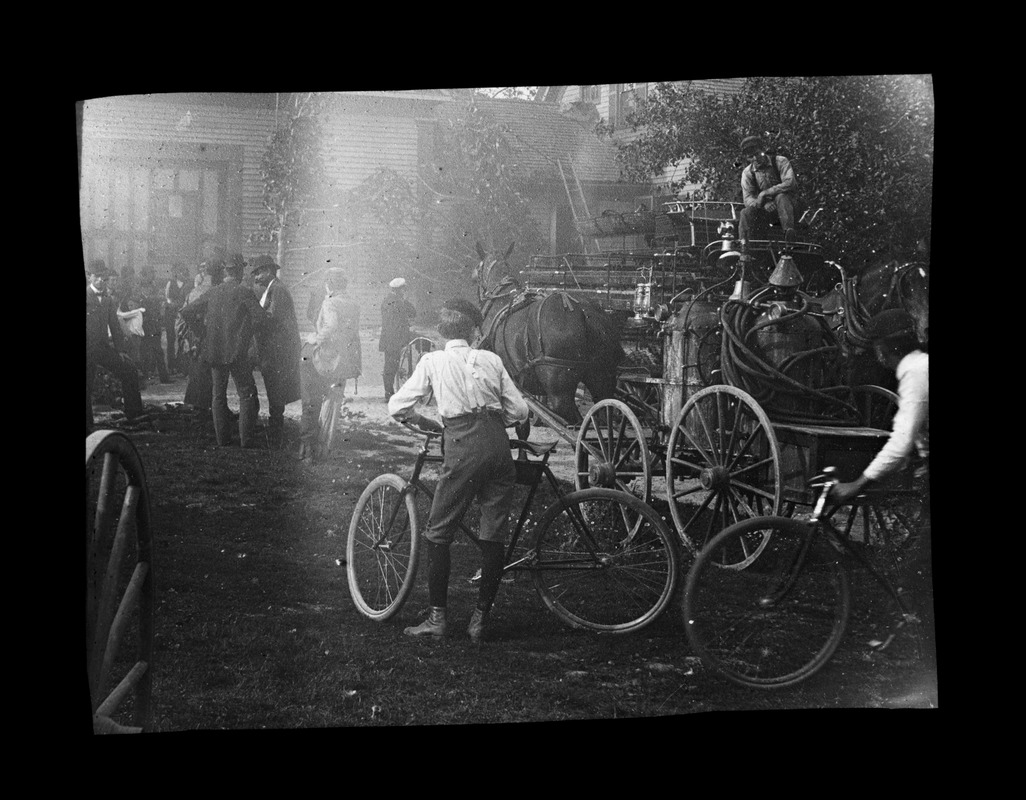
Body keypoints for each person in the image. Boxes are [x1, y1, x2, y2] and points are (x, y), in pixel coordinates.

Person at [388, 297, 529, 643]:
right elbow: (521, 411)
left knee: (438, 534)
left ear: (440, 331)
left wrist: (425, 422)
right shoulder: (491, 359)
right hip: (498, 446)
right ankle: (480, 620)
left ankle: (437, 620)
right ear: (473, 332)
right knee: (493, 535)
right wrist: (494, 421)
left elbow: (398, 405)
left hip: (463, 446)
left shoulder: (433, 360)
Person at [180, 256, 267, 448]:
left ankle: (223, 441)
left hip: (214, 351)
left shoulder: (213, 292)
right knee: (246, 394)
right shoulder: (244, 292)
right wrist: (246, 334)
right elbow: (260, 319)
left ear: (226, 271)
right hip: (238, 353)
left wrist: (201, 333)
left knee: (218, 395)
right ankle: (247, 441)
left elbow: (186, 312)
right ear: (239, 271)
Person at [299, 268, 362, 463]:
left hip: (325, 358)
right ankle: (324, 446)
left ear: (329, 284)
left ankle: (307, 449)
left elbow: (331, 326)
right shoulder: (353, 304)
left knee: (311, 400)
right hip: (344, 360)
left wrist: (315, 338)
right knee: (333, 403)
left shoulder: (330, 302)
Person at [86, 259, 145, 431]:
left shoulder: (108, 300)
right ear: (90, 277)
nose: (101, 281)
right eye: (97, 277)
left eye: (104, 278)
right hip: (87, 350)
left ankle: (134, 414)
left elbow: (114, 326)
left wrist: (120, 351)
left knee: (129, 370)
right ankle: (88, 426)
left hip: (103, 348)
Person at [251, 255, 302, 448]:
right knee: (275, 393)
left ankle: (275, 438)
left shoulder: (277, 290)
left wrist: (254, 317)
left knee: (276, 394)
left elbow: (270, 319)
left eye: (258, 273)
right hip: (275, 350)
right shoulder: (273, 288)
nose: (256, 278)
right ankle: (275, 434)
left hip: (277, 352)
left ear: (268, 271)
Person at [737, 135, 798, 248]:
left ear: (763, 150)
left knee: (781, 197)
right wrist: (763, 203)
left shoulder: (780, 161)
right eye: (751, 157)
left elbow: (790, 183)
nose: (755, 159)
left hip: (789, 207)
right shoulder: (748, 173)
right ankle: (745, 246)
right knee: (745, 212)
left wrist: (765, 193)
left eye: (758, 154)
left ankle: (789, 236)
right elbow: (748, 199)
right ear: (747, 158)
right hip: (766, 210)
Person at [180, 262, 222, 412]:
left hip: (194, 333)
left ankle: (197, 406)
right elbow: (187, 311)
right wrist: (200, 331)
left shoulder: (196, 290)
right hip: (202, 334)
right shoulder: (211, 290)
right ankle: (202, 409)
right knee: (204, 371)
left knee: (198, 369)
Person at [379, 277, 416, 402]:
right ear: (400, 290)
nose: (404, 291)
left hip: (393, 338)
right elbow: (412, 313)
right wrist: (405, 301)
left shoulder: (390, 300)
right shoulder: (396, 302)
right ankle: (389, 393)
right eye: (403, 289)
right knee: (390, 366)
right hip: (394, 338)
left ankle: (389, 392)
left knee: (390, 366)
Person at [137, 267, 171, 384]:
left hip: (153, 327)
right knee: (147, 353)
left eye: (150, 288)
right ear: (143, 288)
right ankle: (149, 376)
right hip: (145, 328)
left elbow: (159, 312)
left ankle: (161, 377)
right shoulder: (141, 299)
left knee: (156, 352)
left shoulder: (152, 298)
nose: (149, 290)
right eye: (146, 288)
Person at [164, 262, 191, 375]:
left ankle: (181, 365)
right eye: (180, 271)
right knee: (171, 340)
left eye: (185, 271)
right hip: (171, 314)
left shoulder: (188, 284)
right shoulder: (171, 283)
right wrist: (174, 304)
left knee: (182, 339)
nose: (183, 273)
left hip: (182, 314)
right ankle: (171, 365)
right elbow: (167, 298)